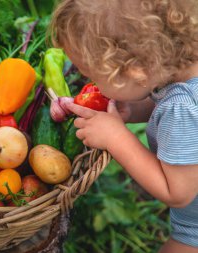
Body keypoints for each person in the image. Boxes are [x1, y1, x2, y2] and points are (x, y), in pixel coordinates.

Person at [50, 0, 198, 252]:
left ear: (137, 71)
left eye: (94, 76)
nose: (89, 81)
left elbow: (178, 192)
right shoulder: (182, 68)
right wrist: (134, 109)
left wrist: (116, 138)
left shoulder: (181, 110)